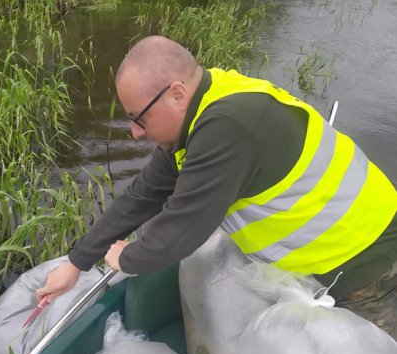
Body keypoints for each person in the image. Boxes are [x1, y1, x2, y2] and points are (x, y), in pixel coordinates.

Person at [37, 36, 397, 338]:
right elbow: (143, 195)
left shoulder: (226, 129)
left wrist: (126, 259)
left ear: (177, 95)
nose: (135, 132)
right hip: (335, 255)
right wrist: (77, 262)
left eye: (138, 118)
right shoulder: (204, 111)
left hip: (368, 262)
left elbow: (183, 230)